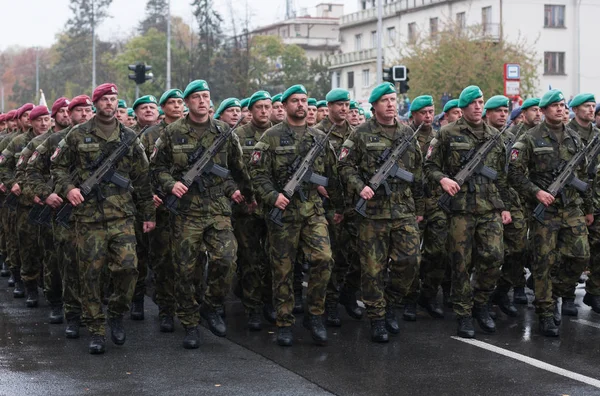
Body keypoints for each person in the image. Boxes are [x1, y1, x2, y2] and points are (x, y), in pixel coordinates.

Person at [51, 83, 156, 354]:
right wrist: (68, 189)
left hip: (122, 216)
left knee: (128, 269)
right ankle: (96, 330)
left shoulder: (130, 137)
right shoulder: (77, 135)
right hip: (88, 219)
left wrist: (148, 214)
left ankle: (116, 314)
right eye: (104, 99)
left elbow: (143, 179)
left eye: (114, 99)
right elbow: (58, 167)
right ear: (95, 104)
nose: (110, 103)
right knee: (91, 275)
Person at [150, 79, 252, 349]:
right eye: (196, 97)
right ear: (187, 102)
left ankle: (211, 305)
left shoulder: (224, 131)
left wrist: (246, 195)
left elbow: (237, 169)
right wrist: (171, 184)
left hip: (218, 209)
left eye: (206, 96)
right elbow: (156, 167)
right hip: (186, 212)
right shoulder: (172, 132)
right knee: (185, 270)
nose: (203, 101)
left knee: (227, 259)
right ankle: (190, 323)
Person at [249, 84, 342, 347]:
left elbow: (333, 176)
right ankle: (284, 321)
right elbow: (257, 174)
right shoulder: (270, 137)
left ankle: (314, 315)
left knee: (324, 259)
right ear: (286, 105)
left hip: (313, 211)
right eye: (295, 101)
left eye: (304, 100)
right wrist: (271, 196)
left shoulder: (319, 138)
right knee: (283, 271)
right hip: (284, 214)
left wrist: (333, 206)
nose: (301, 105)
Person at [338, 82, 424, 343]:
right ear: (374, 105)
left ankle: (392, 303)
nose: (390, 103)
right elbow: (344, 166)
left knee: (410, 261)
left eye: (393, 98)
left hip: (403, 210)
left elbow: (417, 172)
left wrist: (419, 208)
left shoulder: (407, 133)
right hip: (373, 213)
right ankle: (377, 316)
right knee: (372, 269)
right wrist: (360, 186)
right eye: (384, 99)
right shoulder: (361, 133)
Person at [425, 85, 511, 339]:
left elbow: (503, 176)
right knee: (461, 263)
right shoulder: (446, 134)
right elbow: (429, 166)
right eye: (472, 102)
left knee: (494, 257)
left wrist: (505, 206)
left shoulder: (496, 136)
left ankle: (481, 301)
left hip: (490, 207)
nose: (477, 106)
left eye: (480, 101)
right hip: (461, 209)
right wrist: (443, 180)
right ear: (462, 107)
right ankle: (464, 313)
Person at [509, 89, 592, 337]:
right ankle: (545, 312)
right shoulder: (529, 138)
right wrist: (536, 193)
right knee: (543, 263)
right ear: (543, 111)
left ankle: (554, 292)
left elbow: (584, 174)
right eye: (554, 105)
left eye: (563, 105)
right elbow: (513, 173)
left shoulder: (574, 138)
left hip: (571, 208)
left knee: (580, 256)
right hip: (545, 211)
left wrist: (587, 208)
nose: (560, 109)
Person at [26, 95, 94, 339]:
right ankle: (69, 311)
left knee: (93, 264)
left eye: (87, 110)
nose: (72, 115)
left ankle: (92, 312)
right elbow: (30, 172)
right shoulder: (53, 141)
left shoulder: (101, 138)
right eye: (68, 111)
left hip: (95, 211)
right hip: (63, 210)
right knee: (65, 263)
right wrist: (46, 195)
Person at [315, 88, 363, 327]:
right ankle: (330, 302)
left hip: (354, 203)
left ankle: (348, 293)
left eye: (347, 105)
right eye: (339, 105)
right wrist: (320, 187)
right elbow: (307, 168)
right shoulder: (317, 133)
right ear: (329, 106)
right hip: (328, 203)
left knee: (356, 254)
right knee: (333, 256)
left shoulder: (356, 134)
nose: (344, 109)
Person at [231, 90, 275, 330]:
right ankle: (252, 307)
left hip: (272, 206)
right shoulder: (238, 136)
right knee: (249, 259)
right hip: (246, 209)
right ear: (250, 110)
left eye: (267, 106)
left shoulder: (278, 133)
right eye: (259, 107)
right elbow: (231, 171)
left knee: (272, 258)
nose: (264, 111)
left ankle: (269, 301)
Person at [1, 105, 52, 310]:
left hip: (51, 202)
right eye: (38, 119)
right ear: (29, 121)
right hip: (25, 203)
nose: (43, 123)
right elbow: (4, 166)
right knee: (26, 244)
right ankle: (28, 283)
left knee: (50, 249)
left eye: (46, 119)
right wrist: (13, 183)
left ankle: (50, 288)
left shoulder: (57, 140)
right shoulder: (16, 142)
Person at [144, 88, 185, 332]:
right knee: (164, 261)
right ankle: (166, 310)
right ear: (163, 107)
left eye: (180, 102)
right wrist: (149, 195)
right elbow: (140, 170)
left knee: (192, 260)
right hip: (161, 205)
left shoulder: (196, 131)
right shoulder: (150, 136)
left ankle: (189, 307)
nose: (177, 106)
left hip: (191, 207)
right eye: (171, 102)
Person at [484, 95, 527, 314]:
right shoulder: (481, 136)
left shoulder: (513, 138)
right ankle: (480, 297)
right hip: (486, 201)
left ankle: (501, 292)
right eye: (498, 111)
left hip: (512, 200)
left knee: (518, 249)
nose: (502, 114)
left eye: (505, 110)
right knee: (487, 254)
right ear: (487, 114)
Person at [405, 95, 446, 320]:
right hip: (411, 203)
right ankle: (409, 297)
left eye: (431, 112)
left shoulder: (439, 138)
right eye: (424, 113)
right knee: (412, 254)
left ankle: (428, 295)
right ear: (414, 115)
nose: (428, 116)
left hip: (436, 201)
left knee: (438, 251)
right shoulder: (406, 138)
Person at [566, 93, 600, 315]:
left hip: (595, 199)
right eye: (586, 106)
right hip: (570, 201)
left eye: (592, 106)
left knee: (597, 250)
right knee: (574, 252)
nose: (590, 109)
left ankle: (594, 292)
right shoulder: (566, 134)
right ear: (575, 109)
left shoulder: (598, 135)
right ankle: (566, 293)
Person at [129, 94, 160, 321]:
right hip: (136, 205)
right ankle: (137, 299)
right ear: (136, 112)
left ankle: (164, 301)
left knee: (161, 256)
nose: (149, 110)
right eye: (144, 107)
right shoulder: (127, 137)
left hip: (167, 203)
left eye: (152, 107)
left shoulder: (165, 134)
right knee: (138, 254)